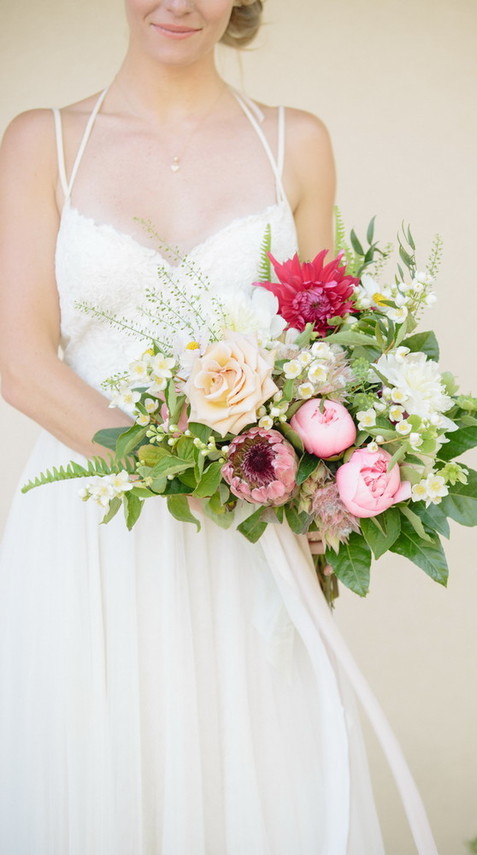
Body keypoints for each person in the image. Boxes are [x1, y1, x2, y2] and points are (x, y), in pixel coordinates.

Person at [0, 2, 439, 853]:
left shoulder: (297, 142)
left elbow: (327, 350)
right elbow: (18, 358)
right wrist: (168, 464)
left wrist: (319, 508)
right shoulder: (40, 142)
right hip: (91, 528)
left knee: (257, 773)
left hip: (248, 529)